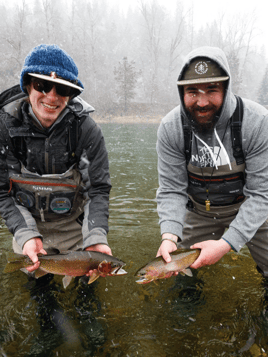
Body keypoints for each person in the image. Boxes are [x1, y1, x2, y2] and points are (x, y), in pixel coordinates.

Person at [0, 44, 112, 277]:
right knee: (39, 294)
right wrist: (26, 234)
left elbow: (98, 190)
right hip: (27, 223)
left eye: (61, 88)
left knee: (87, 296)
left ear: (70, 95)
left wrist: (95, 237)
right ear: (28, 86)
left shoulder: (86, 131)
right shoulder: (5, 129)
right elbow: (2, 193)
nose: (51, 96)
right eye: (42, 85)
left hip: (75, 227)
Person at [156, 46, 268, 277]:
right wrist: (169, 236)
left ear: (227, 88)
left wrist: (228, 242)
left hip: (251, 206)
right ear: (182, 93)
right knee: (180, 269)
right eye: (193, 91)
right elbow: (172, 190)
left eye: (211, 89)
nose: (202, 102)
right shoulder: (171, 128)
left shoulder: (258, 122)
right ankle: (188, 303)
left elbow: (262, 194)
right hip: (200, 211)